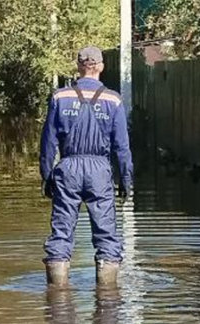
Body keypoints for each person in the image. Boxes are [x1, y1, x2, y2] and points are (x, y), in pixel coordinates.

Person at [39, 46, 134, 288]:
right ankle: (108, 301)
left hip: (67, 169)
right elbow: (122, 147)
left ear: (79, 66)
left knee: (61, 234)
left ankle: (57, 301)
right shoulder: (113, 100)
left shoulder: (60, 97)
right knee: (106, 236)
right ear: (101, 66)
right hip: (100, 172)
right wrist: (125, 180)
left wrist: (47, 177)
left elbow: (48, 143)